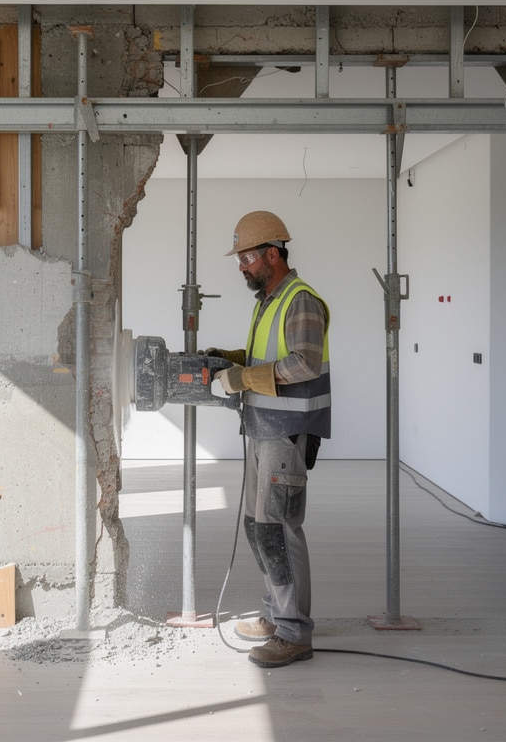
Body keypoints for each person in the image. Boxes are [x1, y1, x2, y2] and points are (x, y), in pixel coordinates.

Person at [208, 210, 330, 669]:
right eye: (241, 259)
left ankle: (294, 633)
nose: (242, 267)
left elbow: (304, 363)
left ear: (273, 254)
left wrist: (241, 378)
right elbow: (265, 358)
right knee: (258, 528)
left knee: (278, 530)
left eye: (247, 258)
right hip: (262, 429)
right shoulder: (267, 301)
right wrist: (228, 359)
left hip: (286, 433)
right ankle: (278, 615)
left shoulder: (300, 301)